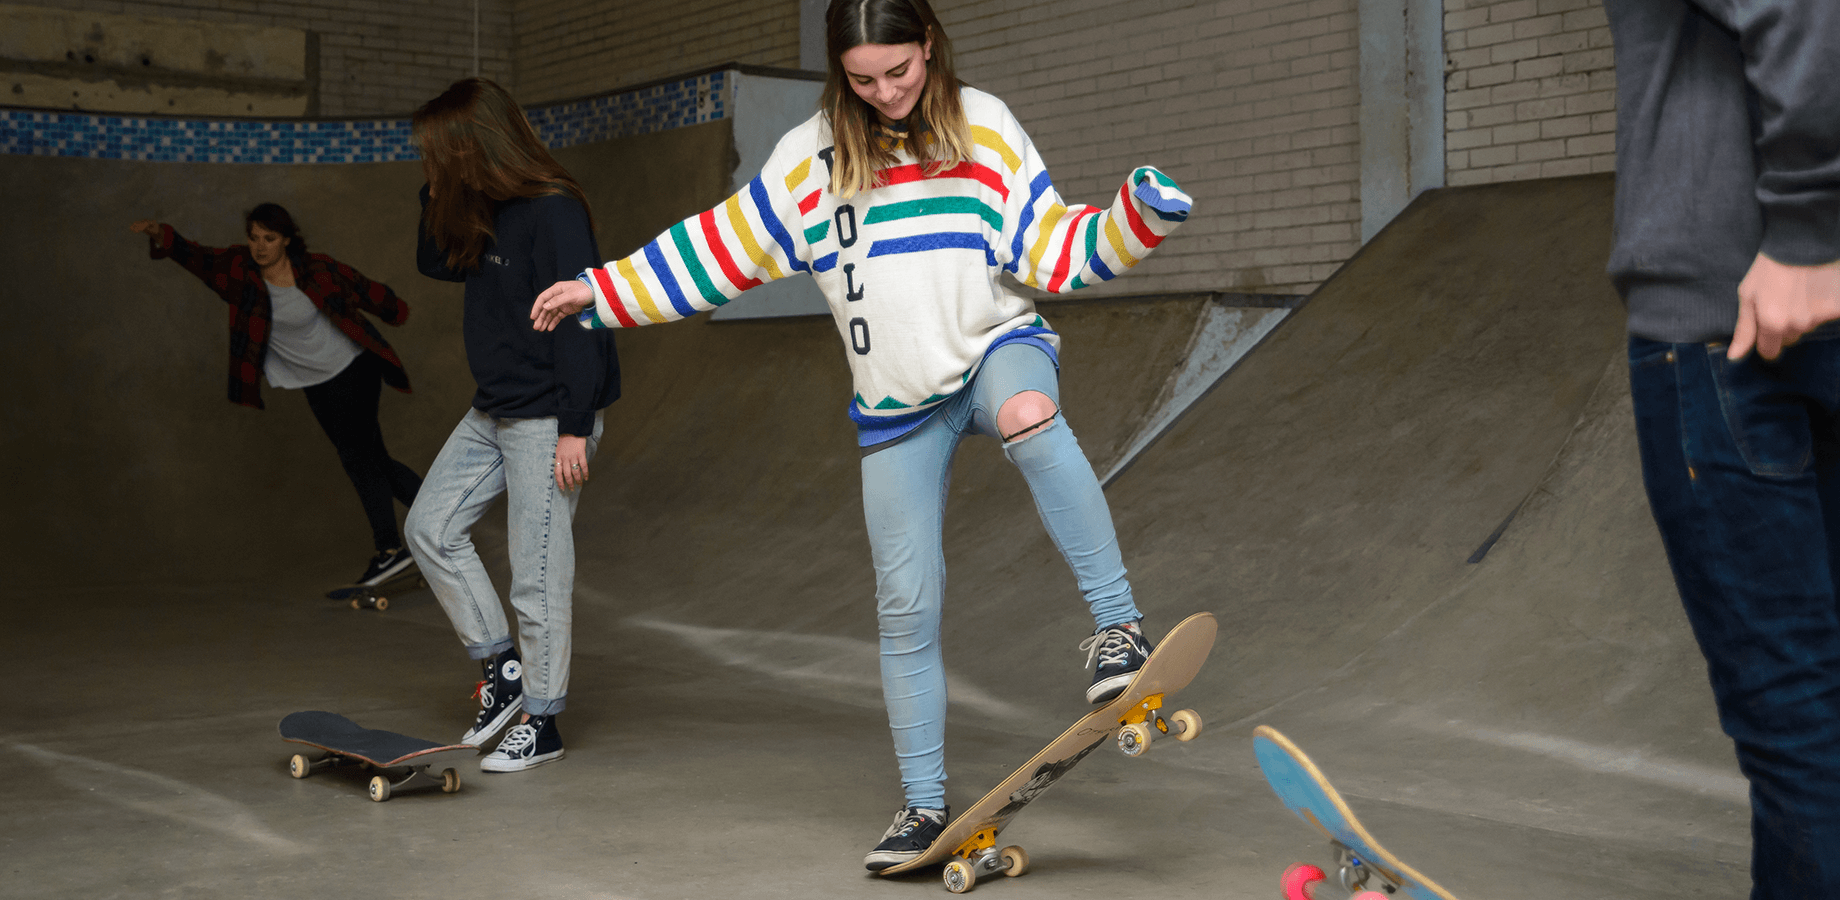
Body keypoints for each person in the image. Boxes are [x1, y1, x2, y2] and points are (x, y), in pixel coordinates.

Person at [529, 0, 1191, 867]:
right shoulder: (810, 159)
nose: (885, 94)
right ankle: (922, 807)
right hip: (894, 404)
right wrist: (602, 290)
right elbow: (718, 250)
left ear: (928, 46)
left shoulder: (984, 127)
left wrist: (1128, 227)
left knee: (1030, 413)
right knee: (906, 606)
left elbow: (1047, 248)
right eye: (862, 79)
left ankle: (1119, 630)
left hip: (998, 350)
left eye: (901, 72)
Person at [1604, 0, 1840, 896]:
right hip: (1811, 303)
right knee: (1803, 702)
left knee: (1795, 721)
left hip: (1726, 332)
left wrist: (1807, 228)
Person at [407, 78, 621, 773]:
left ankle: (543, 719)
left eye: (437, 153)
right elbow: (433, 261)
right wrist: (437, 189)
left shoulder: (553, 211)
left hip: (548, 416)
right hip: (494, 406)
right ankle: (502, 670)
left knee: (536, 574)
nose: (429, 161)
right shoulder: (483, 207)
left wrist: (574, 424)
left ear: (475, 145)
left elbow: (582, 316)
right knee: (429, 528)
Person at [132, 206, 423, 589]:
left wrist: (395, 310)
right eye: (254, 237)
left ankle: (390, 552)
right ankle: (441, 518)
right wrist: (160, 234)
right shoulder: (240, 272)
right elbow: (198, 258)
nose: (260, 246)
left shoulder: (315, 268)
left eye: (269, 238)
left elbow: (361, 287)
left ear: (286, 239)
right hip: (315, 384)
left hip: (354, 370)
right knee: (373, 459)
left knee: (357, 458)